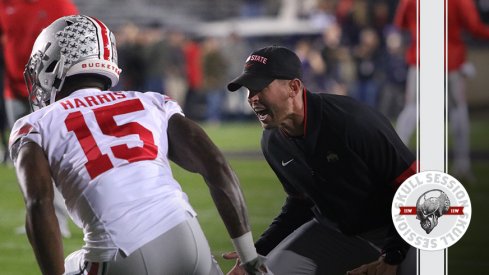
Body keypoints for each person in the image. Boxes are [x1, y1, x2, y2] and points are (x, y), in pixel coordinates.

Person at [9, 15, 267, 275]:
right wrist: (249, 256)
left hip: (119, 252)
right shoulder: (150, 102)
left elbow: (39, 204)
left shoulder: (36, 124)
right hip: (189, 241)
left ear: (55, 63)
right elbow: (216, 167)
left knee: (70, 267)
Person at [224, 45, 417, 275]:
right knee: (267, 272)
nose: (252, 98)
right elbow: (301, 202)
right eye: (248, 90)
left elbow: (417, 187)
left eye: (259, 88)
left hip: (396, 230)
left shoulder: (352, 121)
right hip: (333, 231)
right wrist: (257, 251)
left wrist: (394, 253)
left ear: (293, 87)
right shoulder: (273, 142)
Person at [0, 0, 77, 238]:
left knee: (55, 155)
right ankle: (37, 218)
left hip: (49, 91)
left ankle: (59, 219)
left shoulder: (58, 3)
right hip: (14, 90)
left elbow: (72, 41)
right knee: (25, 159)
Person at [394, 0, 489, 182]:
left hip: (422, 58)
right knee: (458, 110)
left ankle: (394, 162)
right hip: (450, 60)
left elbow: (401, 23)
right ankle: (462, 165)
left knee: (412, 109)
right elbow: (474, 27)